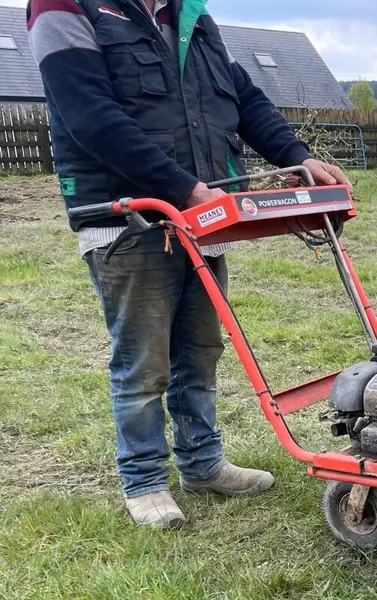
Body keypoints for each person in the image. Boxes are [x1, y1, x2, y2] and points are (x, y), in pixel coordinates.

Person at [28, 0, 349, 528]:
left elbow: (241, 96)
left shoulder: (191, 16)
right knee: (143, 359)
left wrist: (296, 154)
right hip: (131, 218)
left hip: (203, 217)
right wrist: (182, 188)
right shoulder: (67, 7)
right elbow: (89, 115)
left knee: (200, 351)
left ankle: (202, 463)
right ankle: (144, 480)